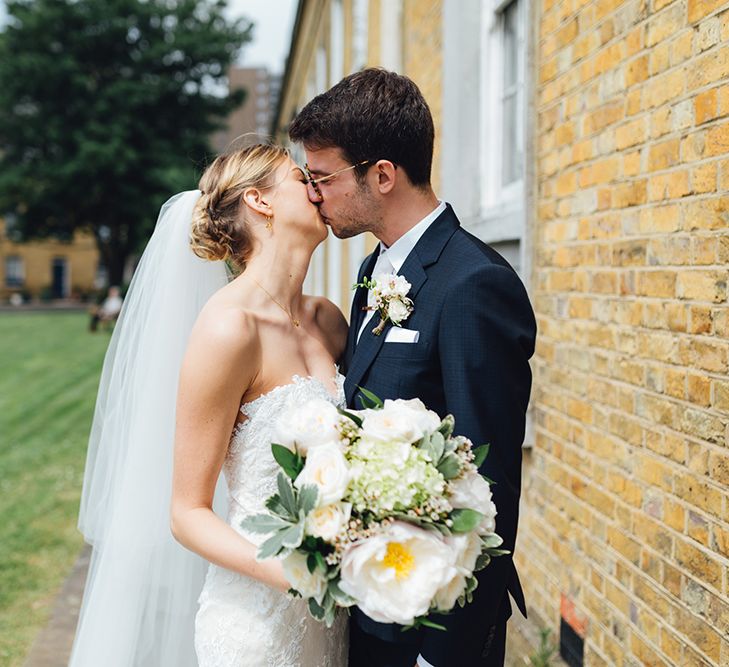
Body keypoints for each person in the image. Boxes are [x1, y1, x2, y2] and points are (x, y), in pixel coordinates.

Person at [289, 68, 537, 667]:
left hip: (432, 633)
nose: (313, 194)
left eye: (321, 178)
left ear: (381, 175)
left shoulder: (475, 284)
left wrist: (441, 656)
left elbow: (489, 485)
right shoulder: (374, 271)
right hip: (371, 615)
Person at [69, 143, 349, 666]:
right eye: (299, 177)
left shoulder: (328, 322)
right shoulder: (229, 328)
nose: (316, 187)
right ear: (259, 202)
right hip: (255, 622)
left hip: (332, 618)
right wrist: (295, 573)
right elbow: (186, 513)